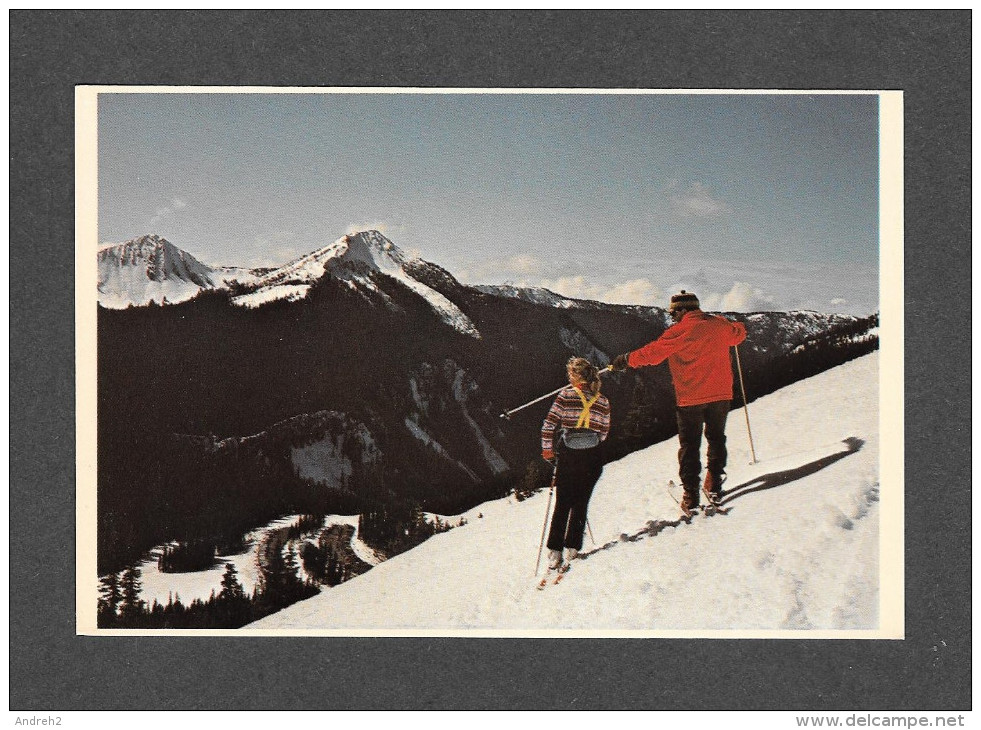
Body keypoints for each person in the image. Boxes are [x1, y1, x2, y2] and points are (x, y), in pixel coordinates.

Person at [611, 290, 747, 515]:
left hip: (690, 397)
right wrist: (731, 324)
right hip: (721, 393)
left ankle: (691, 495)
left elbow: (652, 354)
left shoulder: (679, 331)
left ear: (684, 310)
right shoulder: (719, 326)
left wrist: (626, 360)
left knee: (689, 445)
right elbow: (738, 334)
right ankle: (713, 484)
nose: (672, 316)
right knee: (716, 438)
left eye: (673, 312)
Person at [540, 357, 611, 571]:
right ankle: (573, 547)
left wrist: (548, 451)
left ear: (577, 376)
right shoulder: (602, 401)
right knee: (581, 501)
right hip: (593, 455)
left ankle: (555, 551)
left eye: (571, 374)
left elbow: (548, 426)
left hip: (569, 453)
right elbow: (604, 433)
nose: (568, 378)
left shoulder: (565, 395)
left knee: (563, 502)